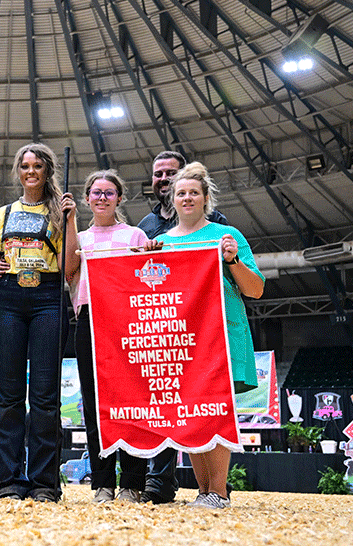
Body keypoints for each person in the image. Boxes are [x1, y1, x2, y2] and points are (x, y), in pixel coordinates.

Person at [0, 143, 77, 501]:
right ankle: (7, 479)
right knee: (7, 397)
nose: (30, 171)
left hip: (49, 299)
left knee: (45, 398)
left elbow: (69, 269)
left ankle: (44, 483)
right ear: (18, 172)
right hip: (8, 299)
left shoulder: (61, 212)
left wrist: (70, 220)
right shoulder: (4, 213)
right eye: (24, 166)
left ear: (47, 171)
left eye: (37, 165)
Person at [157, 162, 264, 509]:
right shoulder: (158, 243)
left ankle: (219, 491)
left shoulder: (226, 237)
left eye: (193, 192)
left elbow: (256, 289)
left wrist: (233, 261)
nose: (187, 198)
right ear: (172, 200)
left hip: (221, 337)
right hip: (178, 340)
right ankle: (202, 490)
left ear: (206, 198)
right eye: (181, 193)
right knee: (188, 414)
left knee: (216, 410)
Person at [135, 150, 230, 504]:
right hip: (162, 331)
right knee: (167, 408)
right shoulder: (145, 225)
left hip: (203, 329)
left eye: (170, 174)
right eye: (158, 174)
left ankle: (217, 487)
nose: (164, 179)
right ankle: (160, 483)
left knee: (204, 408)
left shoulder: (216, 222)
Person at [64, 170, 161, 504]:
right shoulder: (79, 238)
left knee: (132, 403)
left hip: (126, 321)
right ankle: (102, 483)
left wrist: (150, 252)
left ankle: (132, 483)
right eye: (95, 192)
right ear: (86, 198)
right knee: (93, 405)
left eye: (109, 192)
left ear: (119, 197)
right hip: (88, 320)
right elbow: (67, 272)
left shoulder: (134, 235)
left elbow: (149, 278)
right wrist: (70, 223)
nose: (102, 198)